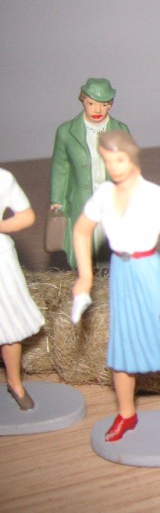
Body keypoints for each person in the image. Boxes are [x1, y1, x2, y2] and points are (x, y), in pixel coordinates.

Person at [72, 131, 160, 443]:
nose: (114, 167)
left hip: (148, 272)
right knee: (121, 349)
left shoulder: (156, 195)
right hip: (121, 274)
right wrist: (85, 276)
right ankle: (126, 413)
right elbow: (81, 231)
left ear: (133, 157)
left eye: (120, 159)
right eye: (108, 161)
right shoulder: (103, 195)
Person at [50, 78, 130, 268]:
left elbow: (129, 164)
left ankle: (113, 268)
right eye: (92, 103)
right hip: (82, 197)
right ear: (83, 100)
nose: (98, 109)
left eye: (104, 104)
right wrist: (57, 198)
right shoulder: (66, 132)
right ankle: (86, 270)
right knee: (85, 236)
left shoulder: (120, 129)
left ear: (110, 105)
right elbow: (60, 166)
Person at [0, 169, 45, 411]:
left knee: (9, 325)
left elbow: (26, 216)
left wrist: (2, 225)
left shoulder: (3, 178)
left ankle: (15, 383)